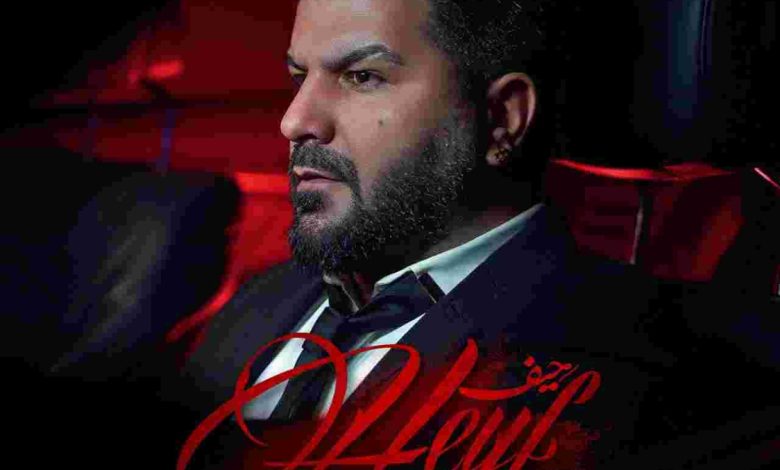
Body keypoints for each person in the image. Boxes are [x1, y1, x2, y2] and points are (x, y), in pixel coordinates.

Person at [168, 0, 778, 468]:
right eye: (298, 75)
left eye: (361, 76)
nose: (294, 120)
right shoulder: (257, 303)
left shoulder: (653, 380)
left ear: (503, 118)